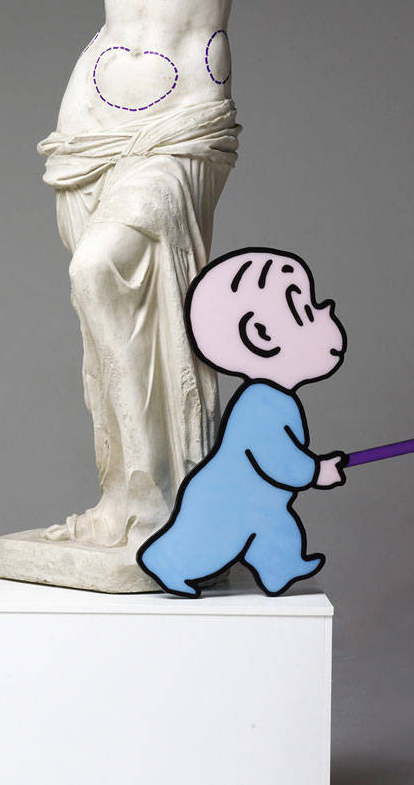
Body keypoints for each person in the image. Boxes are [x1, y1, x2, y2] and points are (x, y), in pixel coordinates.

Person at [38, 0, 242, 550]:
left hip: (184, 115)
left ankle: (155, 487)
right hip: (92, 125)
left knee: (99, 270)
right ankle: (127, 488)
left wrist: (198, 108)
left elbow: (211, 12)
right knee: (102, 304)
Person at [137, 249, 348, 596]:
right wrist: (316, 471)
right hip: (226, 499)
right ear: (261, 335)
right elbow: (276, 459)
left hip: (260, 501)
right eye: (308, 311)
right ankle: (167, 563)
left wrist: (314, 468)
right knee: (213, 543)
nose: (327, 310)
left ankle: (282, 568)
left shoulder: (275, 399)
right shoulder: (260, 404)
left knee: (273, 526)